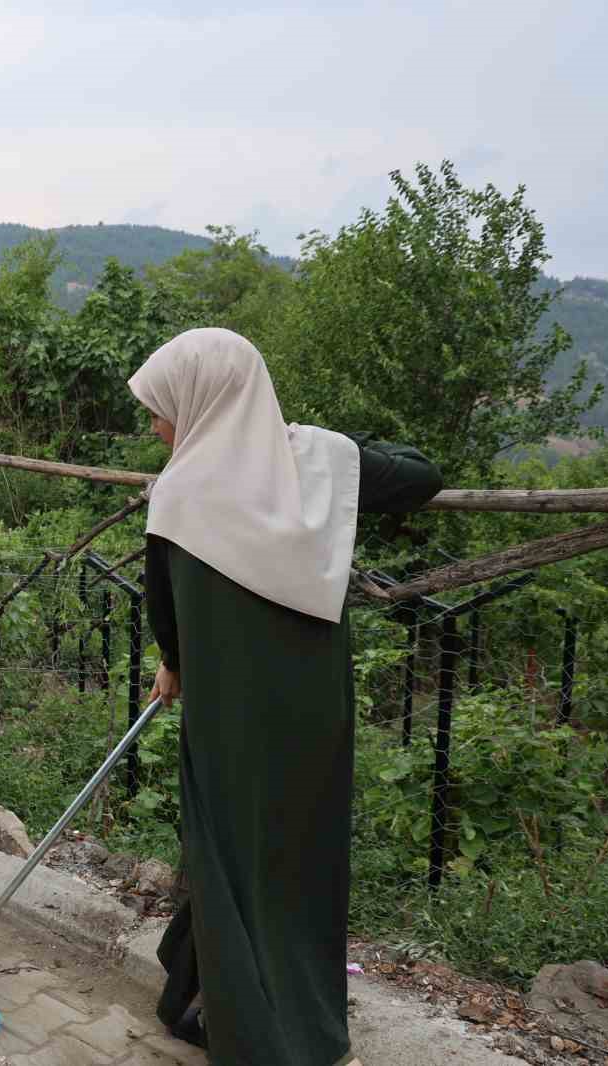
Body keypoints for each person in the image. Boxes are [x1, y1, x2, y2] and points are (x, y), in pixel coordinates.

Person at [129, 328, 443, 1066]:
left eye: (160, 408)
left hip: (228, 717)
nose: (154, 426)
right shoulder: (323, 460)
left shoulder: (176, 496)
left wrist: (173, 665)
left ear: (203, 403)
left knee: (227, 852)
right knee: (297, 857)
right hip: (311, 714)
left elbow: (164, 613)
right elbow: (422, 476)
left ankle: (247, 1027)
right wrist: (337, 441)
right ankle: (268, 1003)